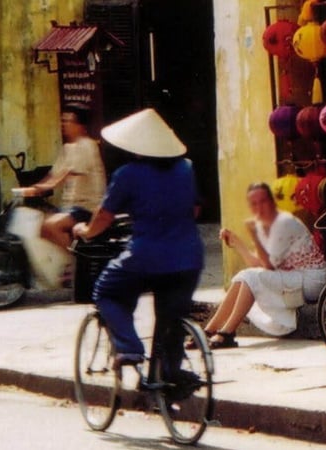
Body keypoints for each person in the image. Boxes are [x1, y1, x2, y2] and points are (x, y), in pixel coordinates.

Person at [72, 108, 204, 392]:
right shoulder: (186, 169)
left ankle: (129, 348)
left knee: (105, 292)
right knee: (170, 317)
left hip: (146, 256)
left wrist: (84, 231)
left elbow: (104, 218)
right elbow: (193, 209)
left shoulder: (127, 174)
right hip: (189, 257)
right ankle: (167, 373)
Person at [198, 182, 326, 349]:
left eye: (263, 201)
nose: (259, 207)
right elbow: (258, 263)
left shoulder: (284, 223)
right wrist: (240, 241)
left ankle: (227, 332)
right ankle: (211, 329)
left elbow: (265, 265)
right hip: (293, 275)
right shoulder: (264, 225)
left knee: (252, 276)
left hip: (312, 279)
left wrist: (242, 241)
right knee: (243, 276)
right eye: (254, 203)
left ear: (272, 201)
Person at [28, 103, 106, 250]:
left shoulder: (88, 145)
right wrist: (34, 187)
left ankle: (73, 263)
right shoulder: (67, 148)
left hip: (86, 207)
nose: (64, 124)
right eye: (63, 121)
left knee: (50, 226)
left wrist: (45, 187)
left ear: (80, 125)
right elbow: (54, 174)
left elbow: (68, 173)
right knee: (36, 225)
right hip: (70, 206)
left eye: (68, 121)